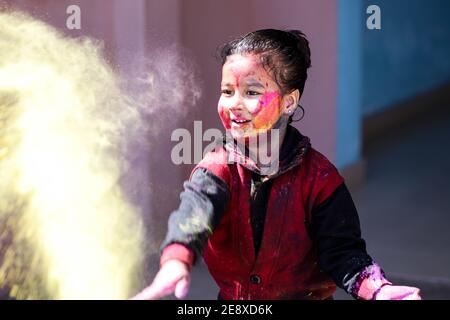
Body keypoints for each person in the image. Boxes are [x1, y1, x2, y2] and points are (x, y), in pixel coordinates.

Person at [132, 29, 421, 300]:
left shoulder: (320, 179)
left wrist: (377, 290)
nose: (234, 103)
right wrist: (176, 259)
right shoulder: (217, 169)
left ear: (288, 102)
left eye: (251, 92)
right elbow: (194, 214)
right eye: (227, 91)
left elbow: (344, 252)